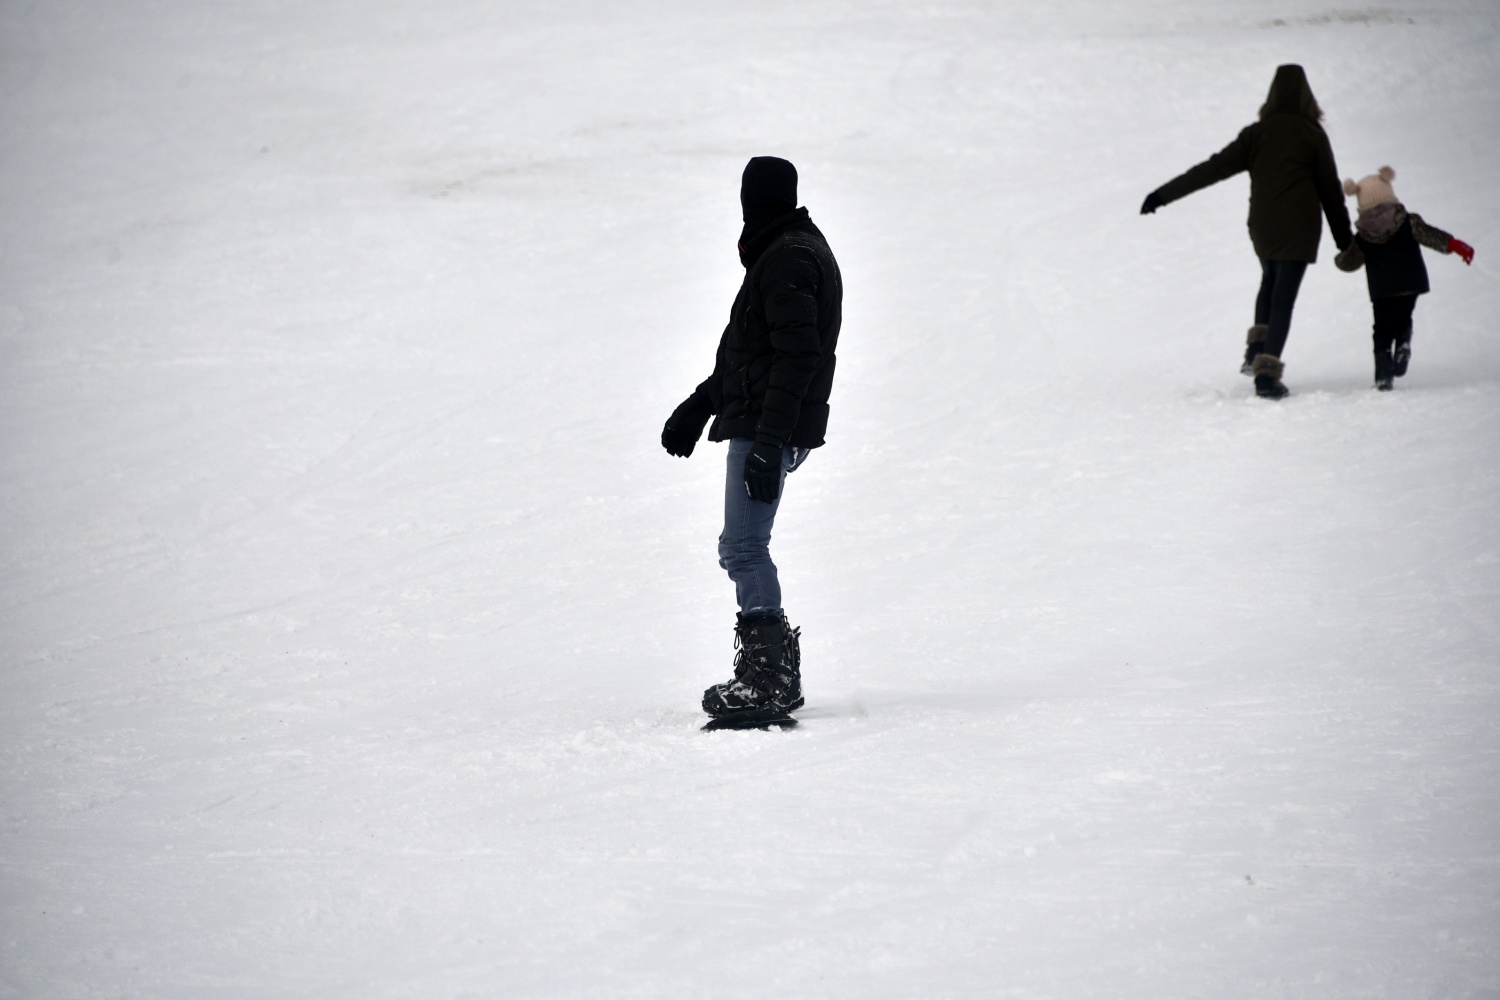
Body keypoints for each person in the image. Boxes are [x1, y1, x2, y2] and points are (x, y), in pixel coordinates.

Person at [660, 156, 843, 723]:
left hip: (767, 425)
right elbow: (752, 355)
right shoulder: (782, 250)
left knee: (743, 547)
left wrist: (769, 440)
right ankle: (774, 675)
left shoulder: (788, 256)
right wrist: (700, 404)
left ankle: (768, 677)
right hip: (762, 420)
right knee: (742, 545)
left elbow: (797, 358)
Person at [1141, 64, 1353, 399]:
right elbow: (1331, 193)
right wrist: (1346, 244)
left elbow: (1211, 169)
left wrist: (1162, 195)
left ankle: (1255, 352)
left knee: (1269, 280)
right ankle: (1266, 376)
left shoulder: (1256, 134)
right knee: (1283, 297)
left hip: (1264, 226)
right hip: (1298, 228)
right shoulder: (1312, 135)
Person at [1335, 166, 1474, 390]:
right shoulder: (1408, 222)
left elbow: (1348, 263)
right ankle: (1403, 344)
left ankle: (1383, 375)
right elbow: (1431, 236)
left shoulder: (1363, 236)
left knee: (1381, 327)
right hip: (1410, 283)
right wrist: (1455, 245)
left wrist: (1339, 259)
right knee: (1403, 316)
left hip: (1382, 290)